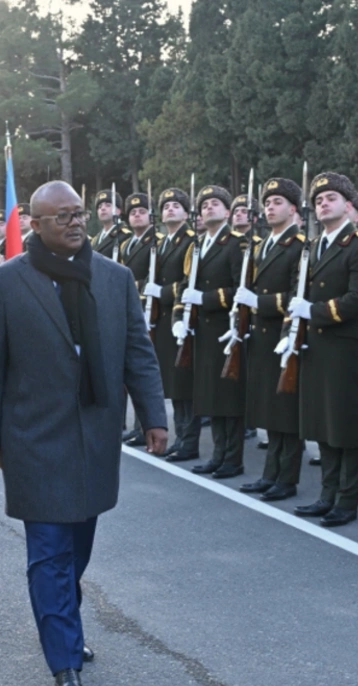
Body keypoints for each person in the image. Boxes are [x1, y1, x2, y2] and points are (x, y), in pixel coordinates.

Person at [0, 181, 168, 686]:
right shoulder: (8, 283)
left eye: (78, 213)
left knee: (76, 551)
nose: (75, 222)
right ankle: (64, 664)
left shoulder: (114, 278)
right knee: (49, 554)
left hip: (95, 437)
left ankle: (66, 618)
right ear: (34, 225)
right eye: (61, 216)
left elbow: (138, 353)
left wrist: (154, 416)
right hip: (34, 439)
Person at [287, 172, 358, 527]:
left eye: (331, 198)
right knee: (324, 423)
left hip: (344, 346)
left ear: (348, 205)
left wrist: (316, 312)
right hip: (316, 346)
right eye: (319, 200)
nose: (324, 204)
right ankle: (327, 494)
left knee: (347, 427)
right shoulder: (312, 247)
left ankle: (346, 500)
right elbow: (299, 294)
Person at [236, 177, 306, 501]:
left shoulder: (299, 245)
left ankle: (286, 477)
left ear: (293, 209)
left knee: (285, 411)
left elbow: (296, 295)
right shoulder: (262, 244)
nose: (270, 208)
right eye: (267, 203)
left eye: (278, 202)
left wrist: (259, 304)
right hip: (262, 336)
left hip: (283, 334)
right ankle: (270, 473)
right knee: (269, 408)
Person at [176, 185, 248, 479]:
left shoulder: (236, 244)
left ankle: (232, 458)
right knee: (210, 395)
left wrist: (205, 299)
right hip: (201, 331)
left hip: (224, 329)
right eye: (204, 205)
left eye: (215, 203)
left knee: (228, 395)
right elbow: (185, 284)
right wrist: (180, 315)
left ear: (228, 212)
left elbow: (240, 289)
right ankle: (218, 454)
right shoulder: (197, 245)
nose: (209, 208)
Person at [145, 188, 201, 460]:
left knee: (184, 383)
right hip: (164, 320)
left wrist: (163, 293)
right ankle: (181, 436)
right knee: (175, 384)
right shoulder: (163, 243)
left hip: (181, 319)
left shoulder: (190, 241)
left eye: (176, 205)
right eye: (166, 205)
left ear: (187, 214)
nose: (170, 209)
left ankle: (189, 441)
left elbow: (189, 282)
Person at [120, 191, 163, 448]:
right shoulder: (127, 245)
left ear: (150, 215)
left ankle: (144, 424)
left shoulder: (156, 242)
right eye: (132, 212)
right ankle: (136, 426)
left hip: (151, 310)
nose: (137, 215)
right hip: (132, 308)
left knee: (143, 370)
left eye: (142, 211)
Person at [92, 190, 130, 259]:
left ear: (118, 211)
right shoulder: (94, 240)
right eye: (99, 206)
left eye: (108, 205)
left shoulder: (125, 236)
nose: (102, 208)